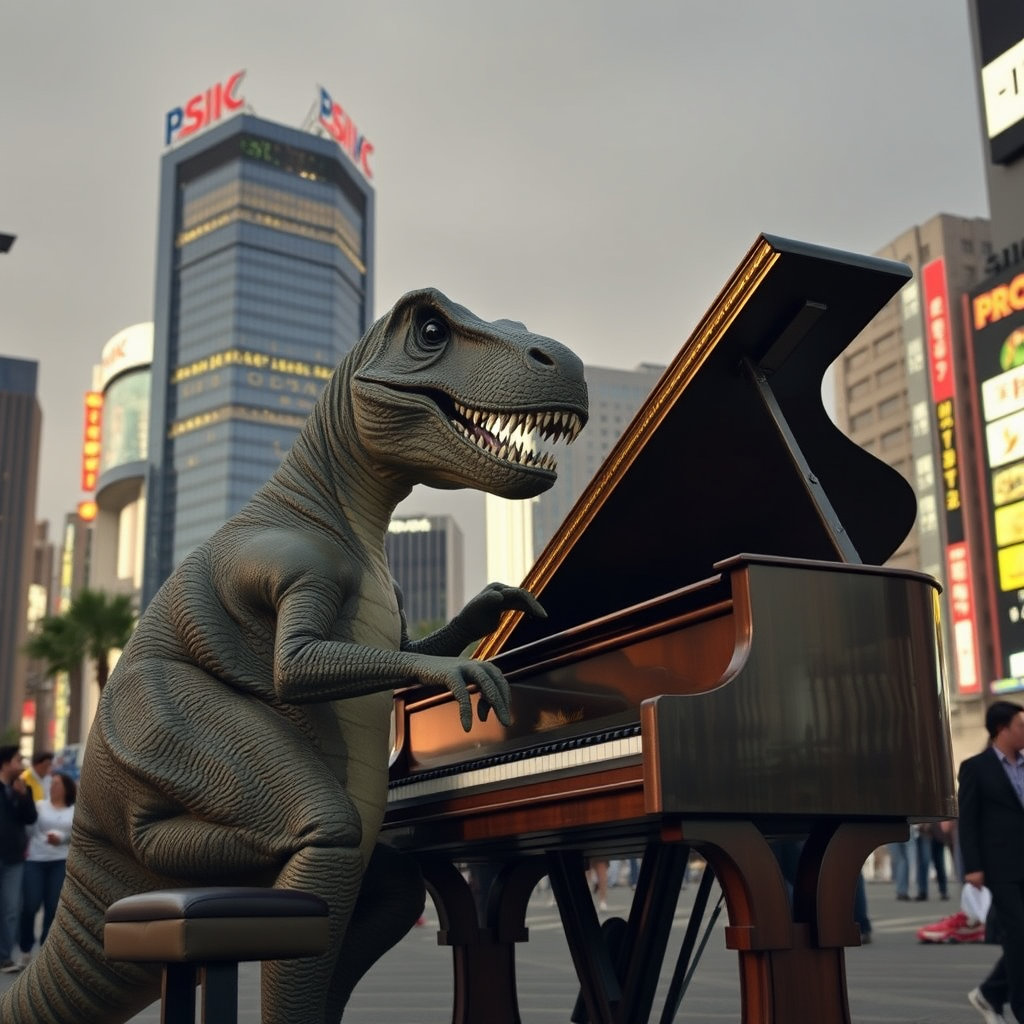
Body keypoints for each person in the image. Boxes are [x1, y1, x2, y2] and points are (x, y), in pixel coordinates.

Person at [958, 699, 1024, 1024]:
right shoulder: (976, 768)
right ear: (1002, 729)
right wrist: (972, 866)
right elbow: (967, 822)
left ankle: (990, 993)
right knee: (1019, 934)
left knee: (1021, 937)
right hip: (999, 867)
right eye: (1021, 725)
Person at [18, 771, 76, 962]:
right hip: (36, 859)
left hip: (59, 861)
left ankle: (45, 947)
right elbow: (29, 828)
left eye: (57, 784)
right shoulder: (40, 806)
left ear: (66, 788)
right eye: (51, 784)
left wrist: (61, 838)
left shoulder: (73, 810)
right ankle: (25, 945)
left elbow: (75, 834)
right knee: (30, 905)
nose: (52, 787)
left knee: (52, 907)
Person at [0, 746, 37, 974]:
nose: (22, 764)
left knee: (12, 908)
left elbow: (31, 818)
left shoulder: (24, 789)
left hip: (14, 859)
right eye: (18, 760)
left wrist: (23, 796)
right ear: (5, 764)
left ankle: (5, 957)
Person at [913, 821, 949, 901]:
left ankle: (943, 890)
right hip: (924, 831)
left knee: (939, 863)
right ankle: (922, 891)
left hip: (937, 830)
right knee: (924, 863)